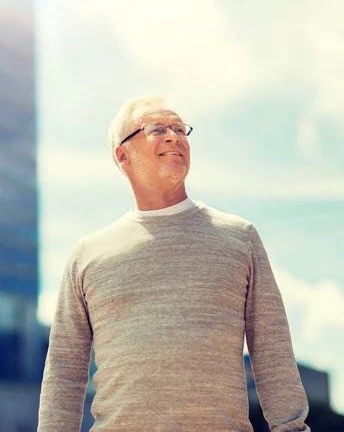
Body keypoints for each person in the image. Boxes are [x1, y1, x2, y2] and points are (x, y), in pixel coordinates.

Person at [38, 95, 310, 431]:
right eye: (156, 129)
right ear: (123, 155)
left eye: (179, 128)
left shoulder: (239, 237)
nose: (174, 136)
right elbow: (64, 371)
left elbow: (272, 350)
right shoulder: (88, 254)